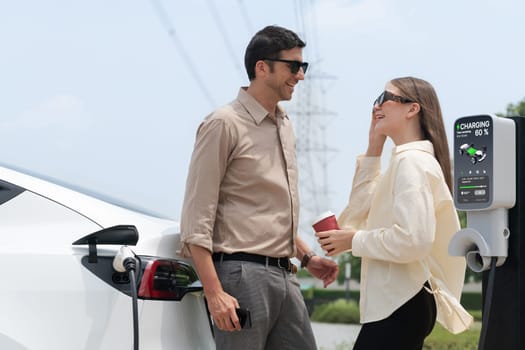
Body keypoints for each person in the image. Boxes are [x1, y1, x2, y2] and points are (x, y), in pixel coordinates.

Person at [179, 25, 338, 350]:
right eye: (294, 66)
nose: (301, 76)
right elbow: (196, 218)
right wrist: (214, 292)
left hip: (286, 275)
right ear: (262, 67)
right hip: (241, 277)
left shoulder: (284, 126)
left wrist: (307, 258)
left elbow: (268, 210)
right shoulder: (224, 124)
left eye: (302, 66)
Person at [316, 77, 473, 349]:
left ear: (412, 109)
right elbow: (355, 215)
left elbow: (414, 240)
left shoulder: (412, 162)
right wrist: (374, 146)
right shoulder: (404, 161)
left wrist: (353, 241)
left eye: (384, 97)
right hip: (399, 302)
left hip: (401, 302)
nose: (376, 105)